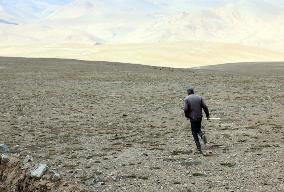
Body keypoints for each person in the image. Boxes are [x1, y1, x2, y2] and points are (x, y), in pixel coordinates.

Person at [184, 87, 210, 154]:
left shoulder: (187, 99)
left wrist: (187, 116)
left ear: (188, 93)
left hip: (192, 118)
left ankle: (199, 148)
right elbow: (205, 107)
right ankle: (201, 135)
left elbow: (186, 109)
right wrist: (207, 115)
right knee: (198, 128)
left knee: (194, 132)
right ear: (193, 92)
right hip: (199, 117)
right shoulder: (199, 97)